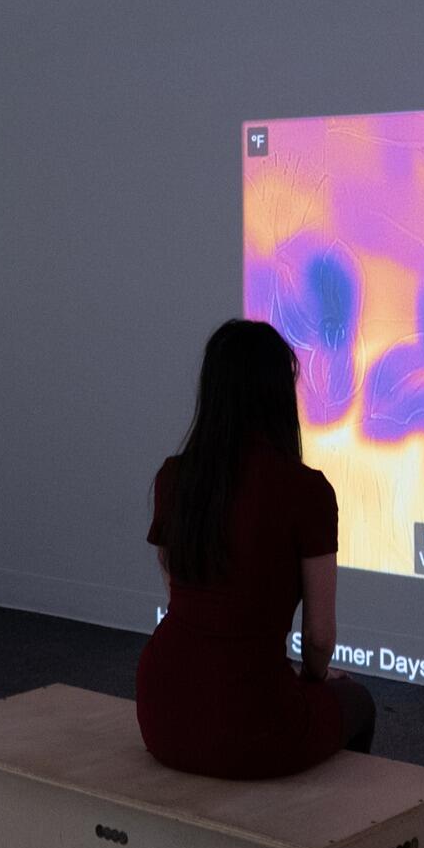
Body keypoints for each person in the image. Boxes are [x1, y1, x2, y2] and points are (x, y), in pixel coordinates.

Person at [137, 319, 377, 778]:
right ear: (279, 394)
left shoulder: (175, 476)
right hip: (252, 719)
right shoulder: (306, 491)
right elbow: (320, 639)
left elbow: (181, 591)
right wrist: (312, 682)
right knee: (357, 703)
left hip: (162, 709)